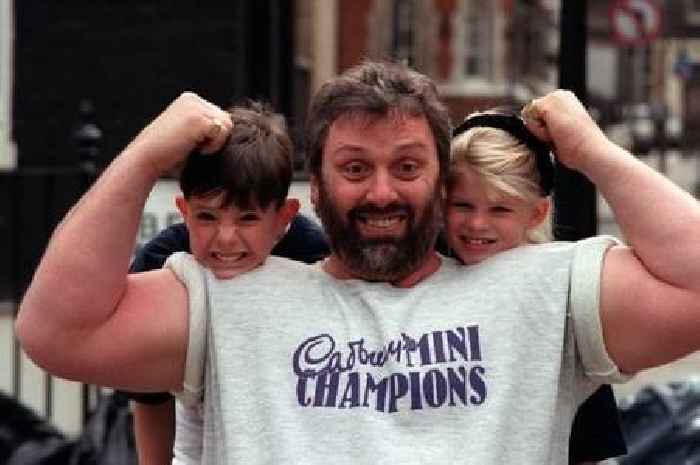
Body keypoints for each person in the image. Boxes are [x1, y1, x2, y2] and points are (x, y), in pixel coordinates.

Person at [15, 60, 700, 464]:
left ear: (441, 180)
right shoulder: (229, 298)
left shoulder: (543, 289)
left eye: (406, 166)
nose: (380, 191)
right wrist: (142, 156)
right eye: (354, 167)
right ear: (316, 190)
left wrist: (592, 152)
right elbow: (55, 331)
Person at [444, 109, 627, 464]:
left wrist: (591, 150)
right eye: (462, 205)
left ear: (537, 213)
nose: (478, 223)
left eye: (500, 209)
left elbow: (591, 449)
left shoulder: (562, 304)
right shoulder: (418, 279)